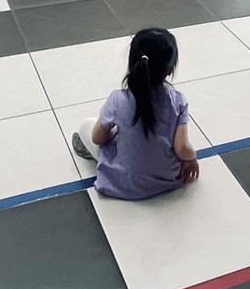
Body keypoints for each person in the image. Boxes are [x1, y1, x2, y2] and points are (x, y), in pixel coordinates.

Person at [71, 28, 200, 200]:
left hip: (122, 182)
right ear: (170, 70)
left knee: (86, 125)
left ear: (133, 64)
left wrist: (115, 133)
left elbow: (98, 138)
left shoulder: (117, 99)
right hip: (166, 180)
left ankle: (92, 155)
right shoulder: (178, 101)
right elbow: (182, 148)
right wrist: (191, 159)